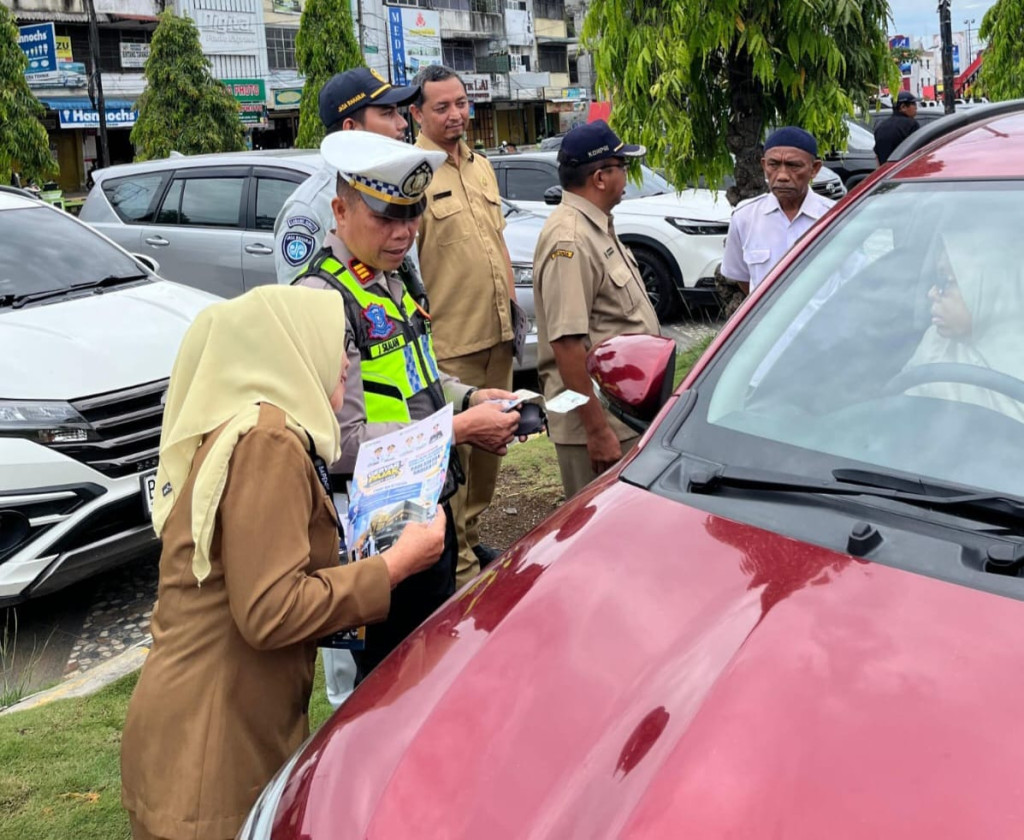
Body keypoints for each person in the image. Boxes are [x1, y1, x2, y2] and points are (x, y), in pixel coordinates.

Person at [120, 285, 446, 840]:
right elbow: (269, 610)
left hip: (210, 725)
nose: (348, 358)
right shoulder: (267, 443)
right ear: (290, 347)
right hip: (211, 749)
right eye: (337, 341)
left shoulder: (251, 426)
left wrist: (360, 551)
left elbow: (262, 567)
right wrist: (394, 568)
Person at [294, 130, 522, 679]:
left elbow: (416, 375)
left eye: (412, 215)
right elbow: (342, 444)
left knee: (435, 666)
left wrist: (468, 395)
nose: (404, 233)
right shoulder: (323, 300)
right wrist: (461, 428)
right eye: (386, 217)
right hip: (377, 533)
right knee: (390, 684)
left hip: (427, 513)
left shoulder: (393, 276)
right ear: (340, 210)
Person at [410, 64, 518, 586]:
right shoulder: (412, 171)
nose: (456, 116)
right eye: (441, 107)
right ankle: (459, 567)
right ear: (417, 113)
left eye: (461, 104)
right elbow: (405, 267)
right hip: (449, 345)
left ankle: (471, 538)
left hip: (497, 334)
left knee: (491, 453)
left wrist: (513, 312)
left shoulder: (480, 166)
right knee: (453, 463)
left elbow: (496, 242)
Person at [531, 120, 661, 498]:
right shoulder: (568, 238)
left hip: (625, 415)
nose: (627, 175)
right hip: (599, 422)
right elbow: (567, 344)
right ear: (601, 177)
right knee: (601, 537)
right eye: (624, 167)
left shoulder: (596, 226)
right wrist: (597, 430)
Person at [273, 67, 419, 286]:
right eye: (388, 113)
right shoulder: (309, 209)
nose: (402, 123)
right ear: (351, 129)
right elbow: (301, 308)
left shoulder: (393, 188)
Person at [904, 234, 1024, 422]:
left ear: (987, 288)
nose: (932, 293)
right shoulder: (935, 342)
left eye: (947, 282)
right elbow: (902, 415)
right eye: (936, 280)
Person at [721, 126, 835, 296]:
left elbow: (852, 278)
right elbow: (741, 277)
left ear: (815, 169)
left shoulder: (835, 218)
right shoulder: (745, 217)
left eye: (793, 166)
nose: (782, 176)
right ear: (764, 165)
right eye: (773, 165)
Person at [874, 91, 920, 165]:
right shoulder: (911, 124)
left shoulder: (880, 126)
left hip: (886, 173)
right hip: (904, 170)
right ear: (903, 107)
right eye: (913, 104)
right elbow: (917, 151)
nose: (916, 107)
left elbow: (877, 155)